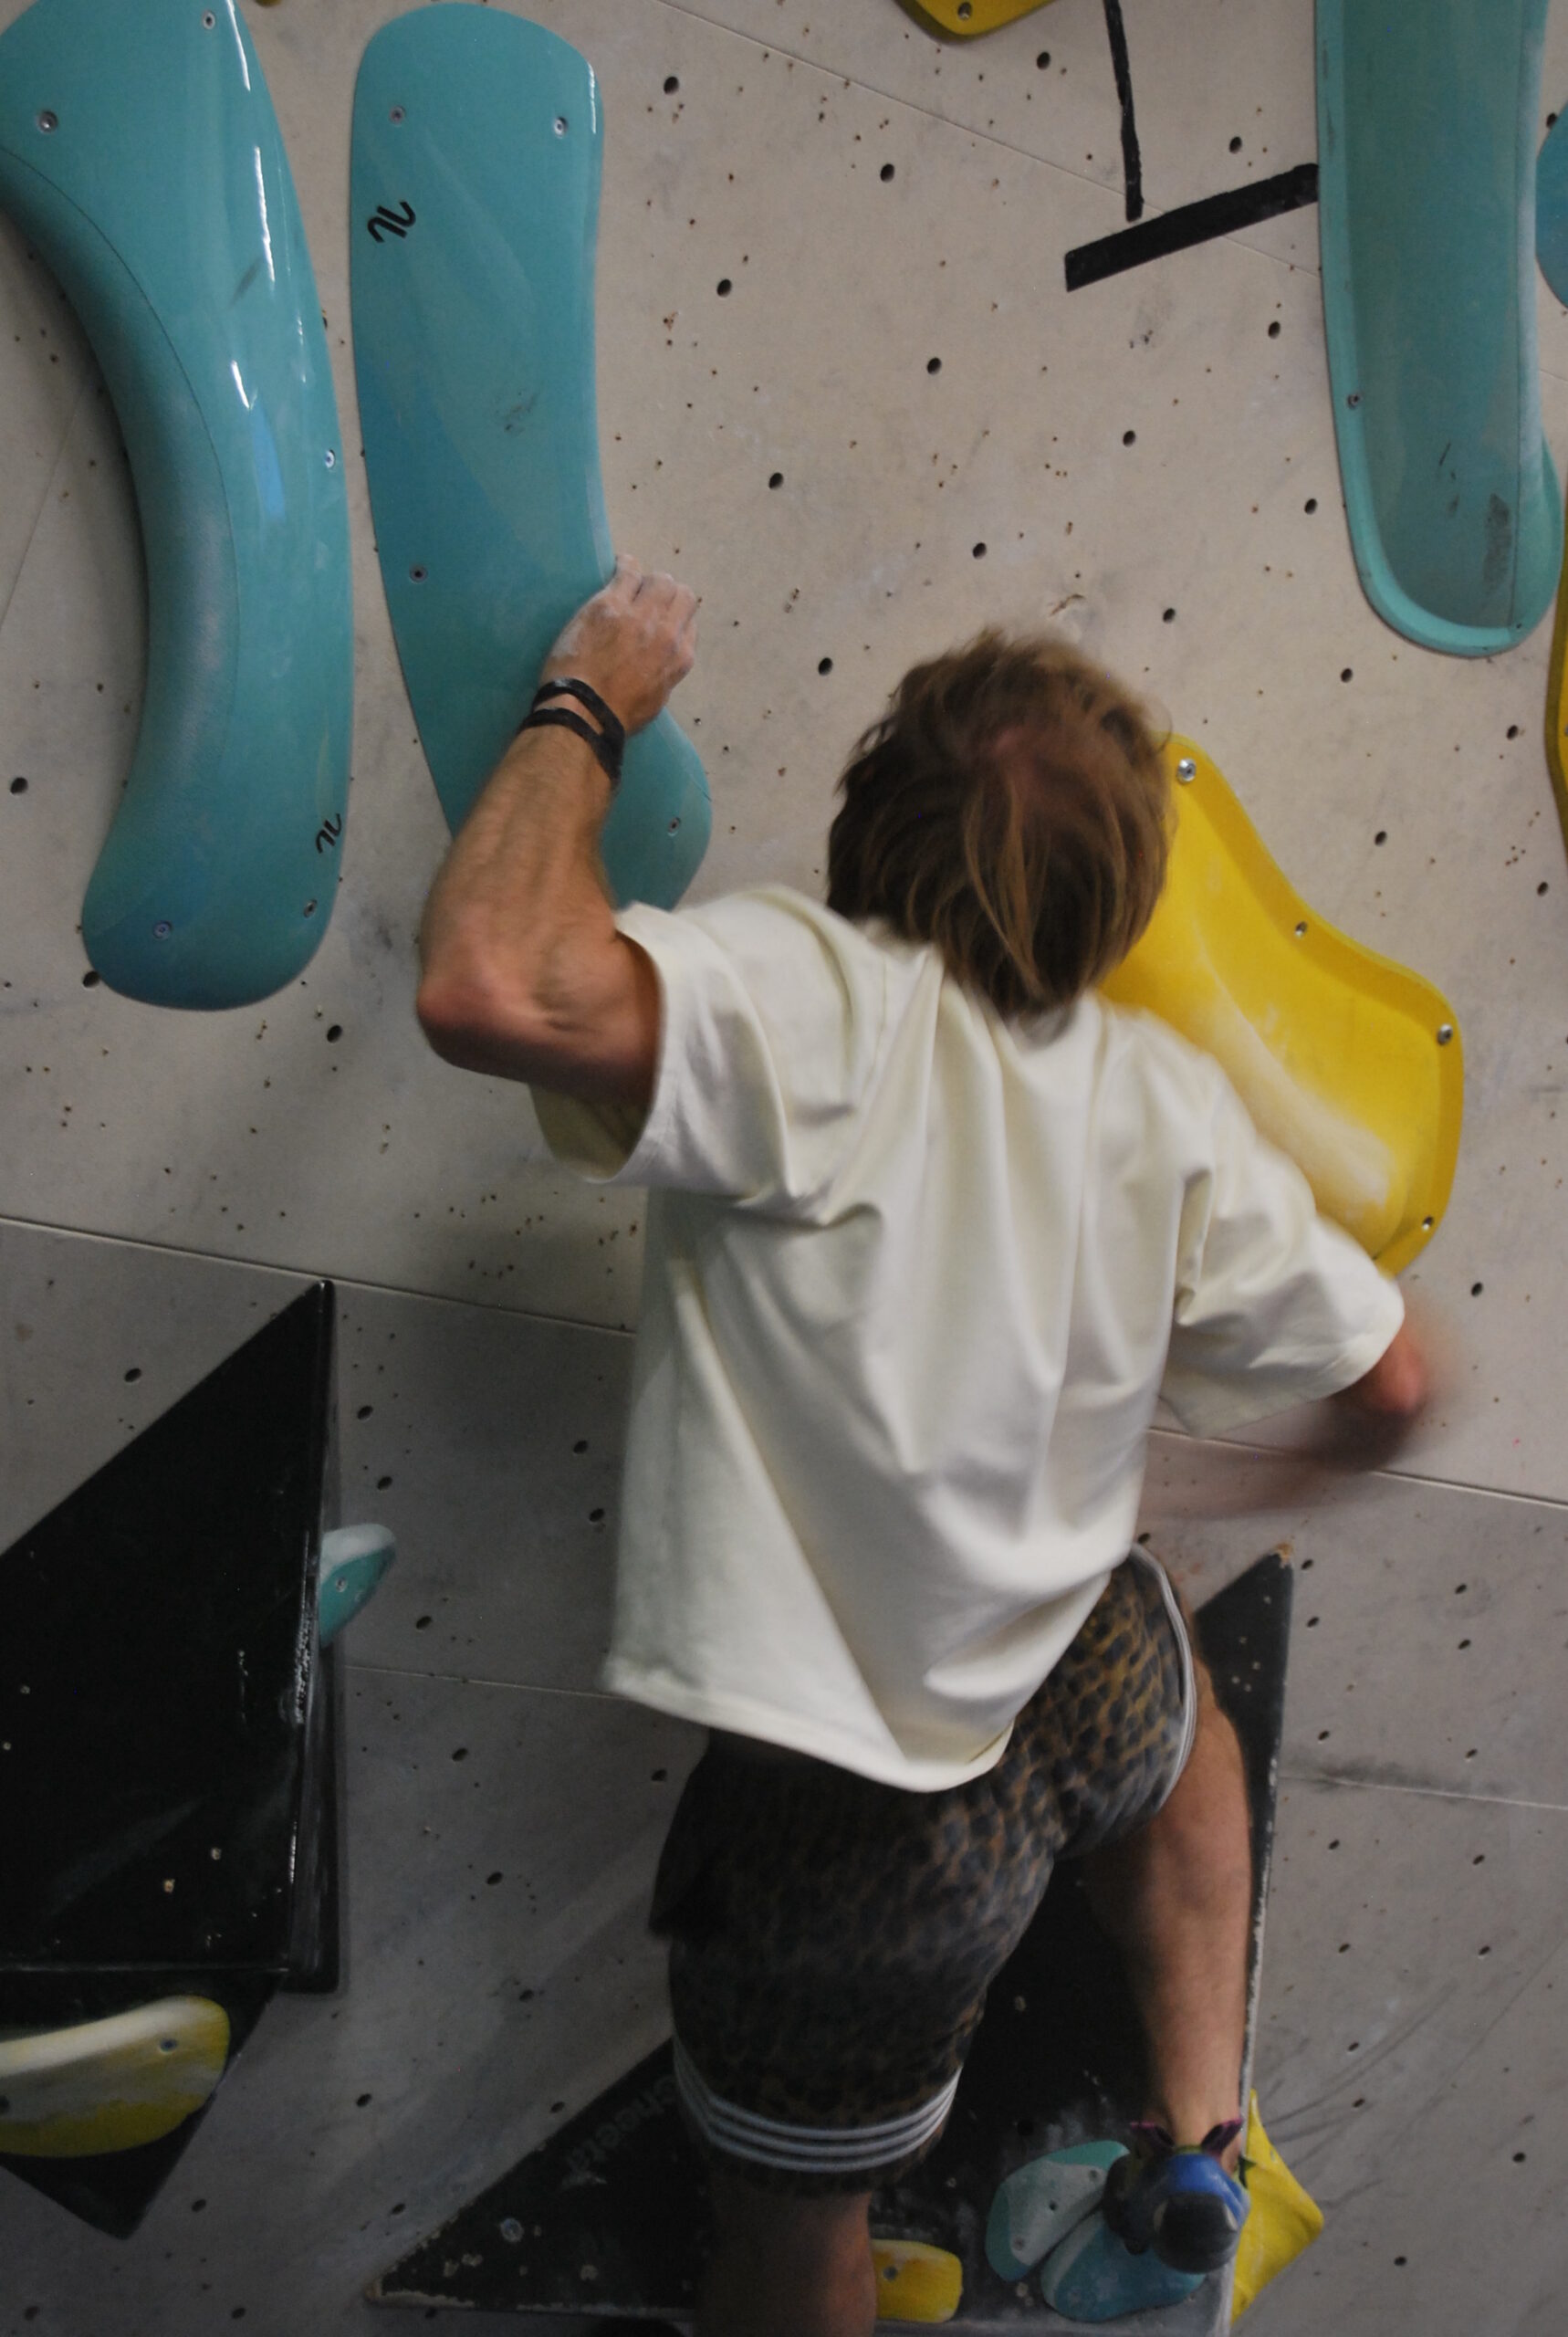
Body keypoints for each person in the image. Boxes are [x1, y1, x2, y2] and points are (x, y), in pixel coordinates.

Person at [415, 558, 1427, 2337]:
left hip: (862, 1823)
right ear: (1112, 901)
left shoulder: (809, 995)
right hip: (1075, 1673)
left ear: (869, 817)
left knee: (789, 2242)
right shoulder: (1152, 1094)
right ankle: (1208, 2146)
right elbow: (1392, 1386)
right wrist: (1213, 1480)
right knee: (1167, 1697)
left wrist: (587, 702)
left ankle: (956, 2225)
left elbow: (491, 978)